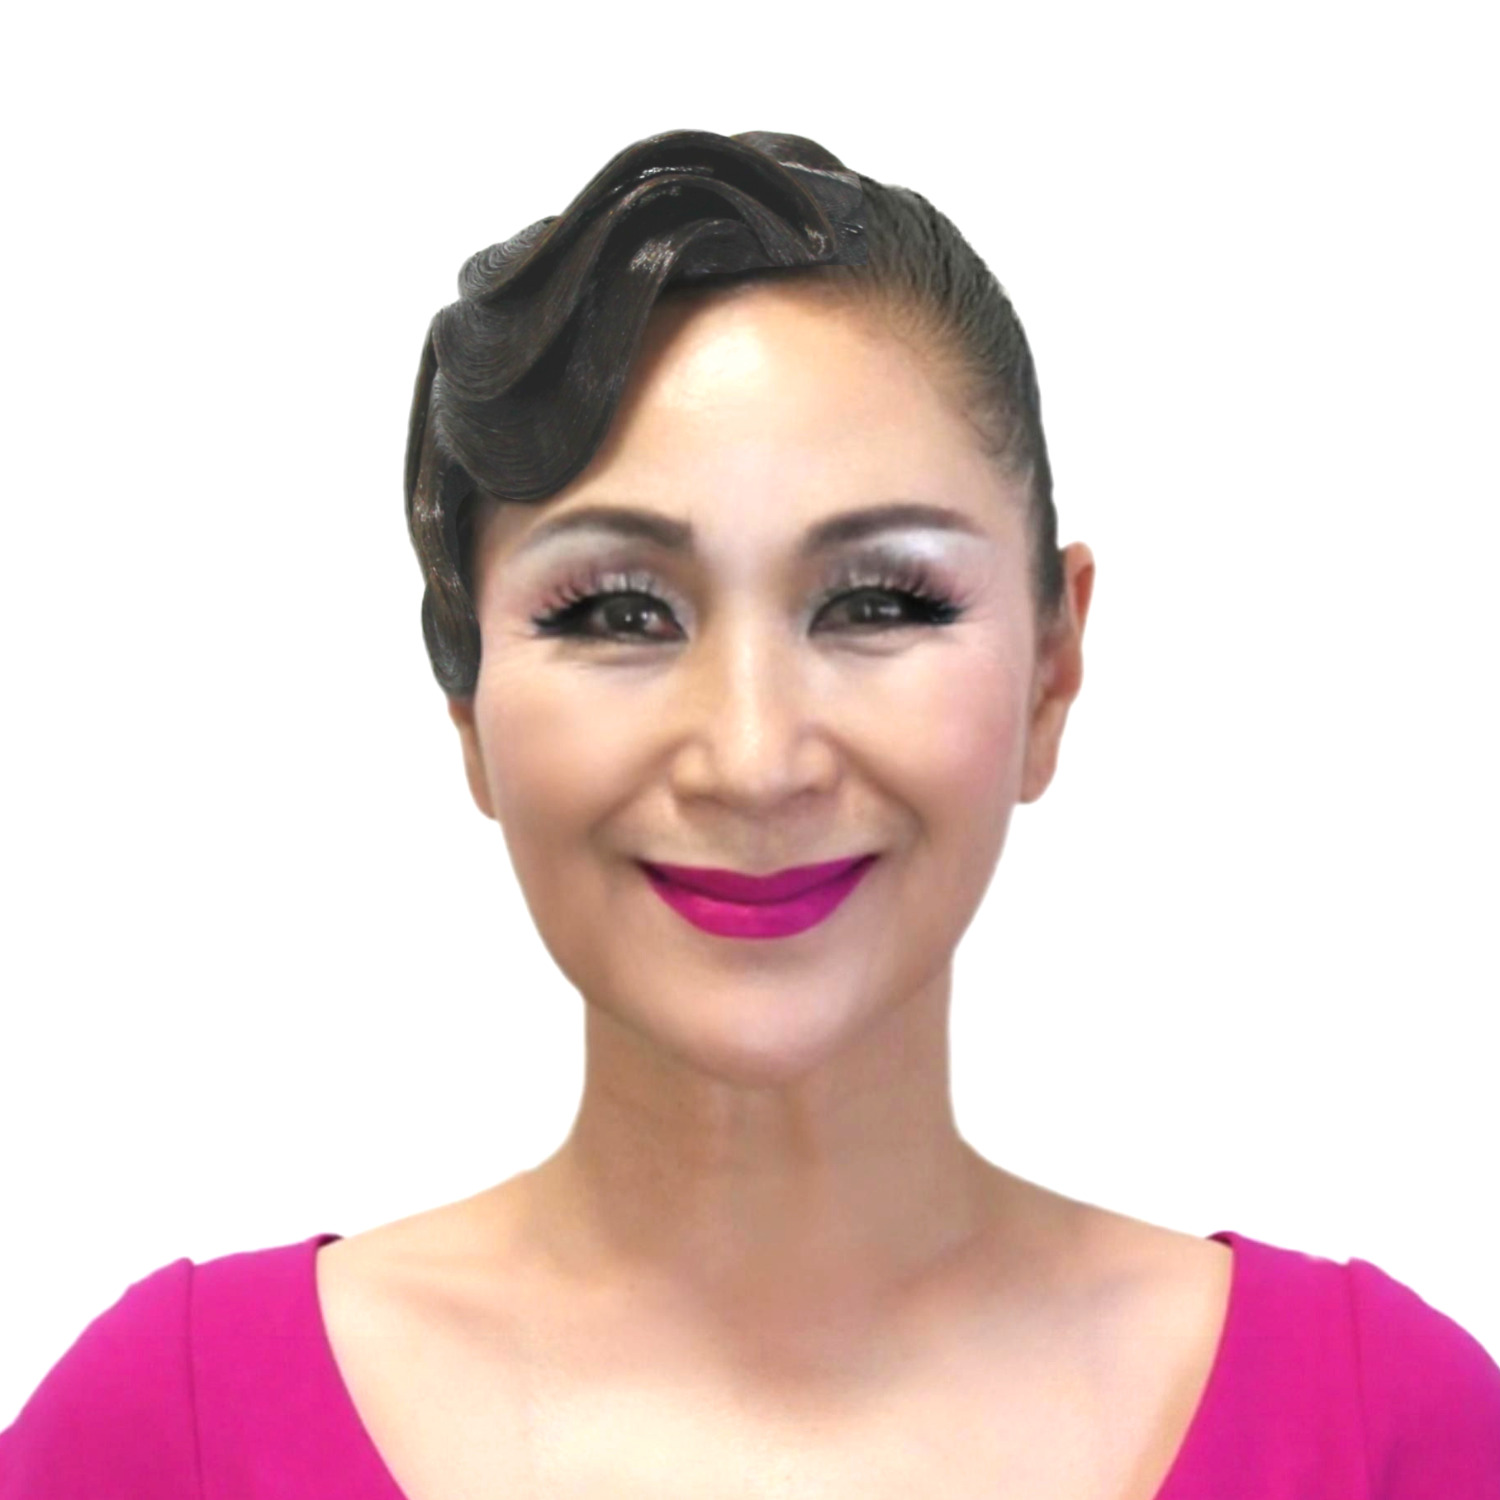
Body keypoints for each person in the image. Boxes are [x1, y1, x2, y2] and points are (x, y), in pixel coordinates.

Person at [3, 127, 1497, 1500]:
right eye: (618, 612)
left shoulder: (1391, 1430)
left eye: (879, 601)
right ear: (466, 705)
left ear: (1054, 670)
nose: (755, 757)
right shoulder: (160, 1439)